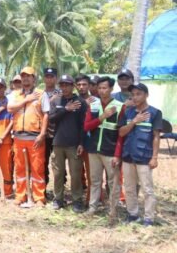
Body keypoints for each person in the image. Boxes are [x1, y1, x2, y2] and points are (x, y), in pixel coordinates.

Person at [117, 83, 162, 226]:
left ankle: (149, 218)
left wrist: (154, 157)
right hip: (128, 156)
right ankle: (133, 214)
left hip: (144, 157)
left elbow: (156, 137)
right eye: (133, 95)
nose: (135, 97)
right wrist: (134, 122)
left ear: (146, 95)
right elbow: (121, 132)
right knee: (129, 188)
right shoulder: (128, 112)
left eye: (138, 94)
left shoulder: (155, 113)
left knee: (147, 189)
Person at [7, 66, 50, 207]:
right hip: (18, 137)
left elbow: (46, 114)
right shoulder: (15, 94)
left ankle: (39, 197)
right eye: (23, 76)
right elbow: (10, 109)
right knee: (19, 168)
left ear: (33, 78)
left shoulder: (41, 94)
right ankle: (21, 196)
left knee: (37, 168)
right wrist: (27, 100)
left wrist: (42, 134)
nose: (25, 78)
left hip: (35, 137)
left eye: (28, 76)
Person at [84, 76, 125, 220]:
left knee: (113, 182)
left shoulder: (120, 106)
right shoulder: (93, 105)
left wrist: (117, 154)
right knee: (95, 180)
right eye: (100, 88)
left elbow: (121, 134)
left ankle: (113, 210)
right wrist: (102, 117)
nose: (102, 91)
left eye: (105, 88)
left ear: (111, 89)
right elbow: (87, 126)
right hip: (94, 149)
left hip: (110, 151)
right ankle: (92, 208)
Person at [48, 74, 87, 212]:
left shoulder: (80, 102)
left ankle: (77, 200)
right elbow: (51, 118)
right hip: (58, 142)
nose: (64, 88)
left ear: (73, 86)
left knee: (75, 174)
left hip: (74, 144)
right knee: (58, 173)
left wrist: (82, 143)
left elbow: (83, 125)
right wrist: (65, 109)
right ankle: (58, 199)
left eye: (67, 85)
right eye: (62, 85)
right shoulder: (56, 100)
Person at [42, 67, 61, 190]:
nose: (49, 79)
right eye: (47, 76)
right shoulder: (39, 93)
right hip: (43, 134)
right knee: (42, 163)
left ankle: (59, 190)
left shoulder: (61, 93)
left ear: (56, 78)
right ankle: (42, 189)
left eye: (52, 76)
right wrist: (50, 100)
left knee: (58, 164)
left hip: (57, 134)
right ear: (44, 78)